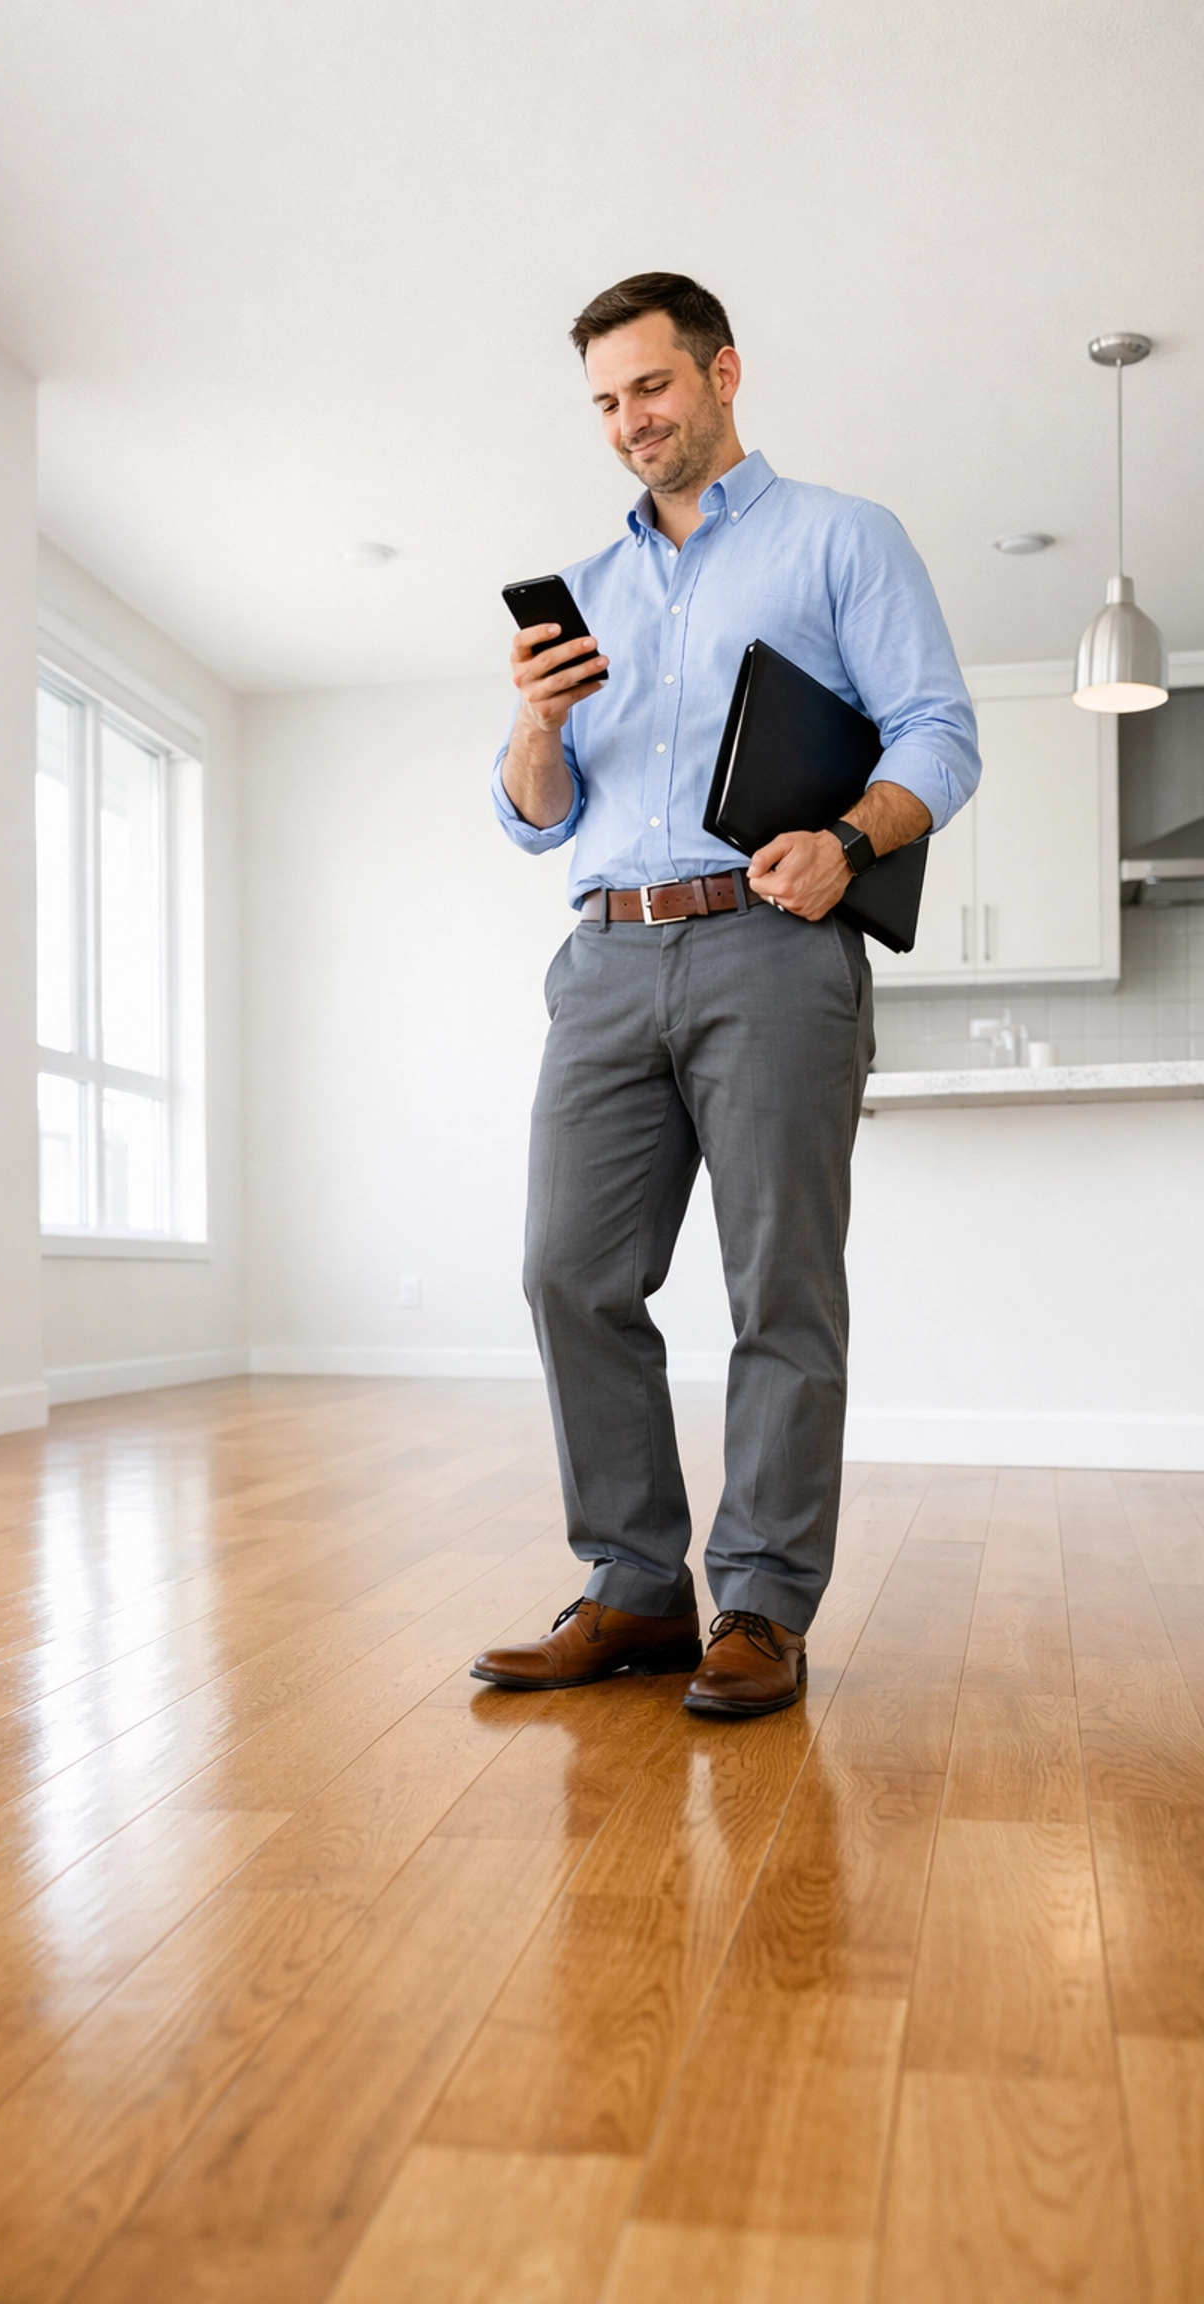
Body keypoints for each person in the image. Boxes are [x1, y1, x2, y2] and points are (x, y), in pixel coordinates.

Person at [471, 272, 980, 1717]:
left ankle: (759, 1603)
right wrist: (535, 719)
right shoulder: (591, 589)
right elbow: (531, 817)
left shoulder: (840, 538)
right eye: (607, 401)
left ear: (722, 374)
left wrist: (850, 839)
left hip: (770, 941)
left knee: (780, 1284)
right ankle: (635, 1593)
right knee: (568, 1269)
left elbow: (941, 734)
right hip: (607, 955)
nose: (632, 420)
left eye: (652, 386)